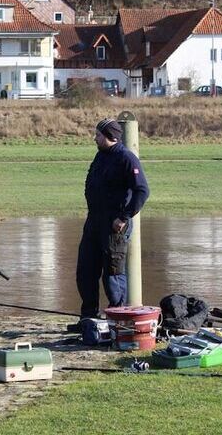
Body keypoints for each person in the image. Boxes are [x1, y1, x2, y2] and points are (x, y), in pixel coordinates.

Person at [71, 118, 150, 330]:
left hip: (115, 225)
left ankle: (118, 320)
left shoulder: (126, 158)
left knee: (113, 275)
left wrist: (124, 217)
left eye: (98, 135)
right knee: (85, 270)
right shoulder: (100, 156)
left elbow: (142, 191)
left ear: (111, 137)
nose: (94, 138)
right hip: (94, 222)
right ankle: (88, 319)